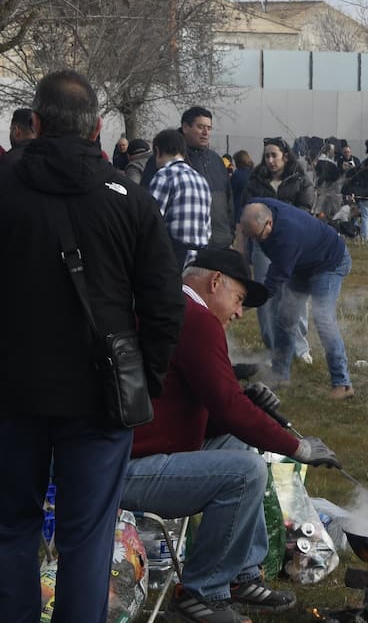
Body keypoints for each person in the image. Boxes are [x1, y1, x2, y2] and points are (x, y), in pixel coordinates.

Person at [0, 70, 183, 623]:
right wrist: (146, 379)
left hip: (12, 388)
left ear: (32, 123)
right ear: (98, 128)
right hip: (101, 391)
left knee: (10, 528)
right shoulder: (129, 199)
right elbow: (164, 303)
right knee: (87, 536)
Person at [120, 248, 340, 623]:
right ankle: (201, 594)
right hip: (127, 469)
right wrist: (297, 446)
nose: (239, 313)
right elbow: (229, 407)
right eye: (238, 299)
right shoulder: (196, 319)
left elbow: (197, 409)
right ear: (215, 282)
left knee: (239, 446)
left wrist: (244, 400)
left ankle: (241, 575)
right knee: (246, 471)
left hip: (126, 453)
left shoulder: (170, 306)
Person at [239, 199, 355, 399]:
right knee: (285, 317)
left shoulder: (287, 238)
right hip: (302, 263)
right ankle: (280, 375)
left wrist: (241, 305)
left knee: (323, 319)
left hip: (329, 263)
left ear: (269, 223)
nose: (255, 241)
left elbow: (270, 287)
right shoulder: (258, 207)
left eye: (257, 236)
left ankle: (343, 384)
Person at [242, 138, 316, 359]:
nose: (270, 160)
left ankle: (300, 347)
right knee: (267, 294)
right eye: (266, 156)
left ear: (285, 155)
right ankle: (273, 344)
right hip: (263, 245)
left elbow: (304, 211)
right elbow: (245, 211)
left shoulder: (300, 180)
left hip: (293, 245)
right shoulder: (255, 181)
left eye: (274, 155)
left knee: (296, 292)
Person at [140, 106, 236, 249]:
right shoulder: (164, 160)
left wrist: (230, 233)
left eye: (209, 128)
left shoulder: (216, 160)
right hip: (178, 248)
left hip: (220, 242)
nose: (205, 133)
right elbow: (148, 205)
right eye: (200, 127)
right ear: (185, 127)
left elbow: (228, 200)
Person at [146, 128, 214, 270]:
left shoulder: (164, 175)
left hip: (173, 256)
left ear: (157, 151)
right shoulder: (200, 179)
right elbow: (207, 227)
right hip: (200, 258)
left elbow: (151, 220)